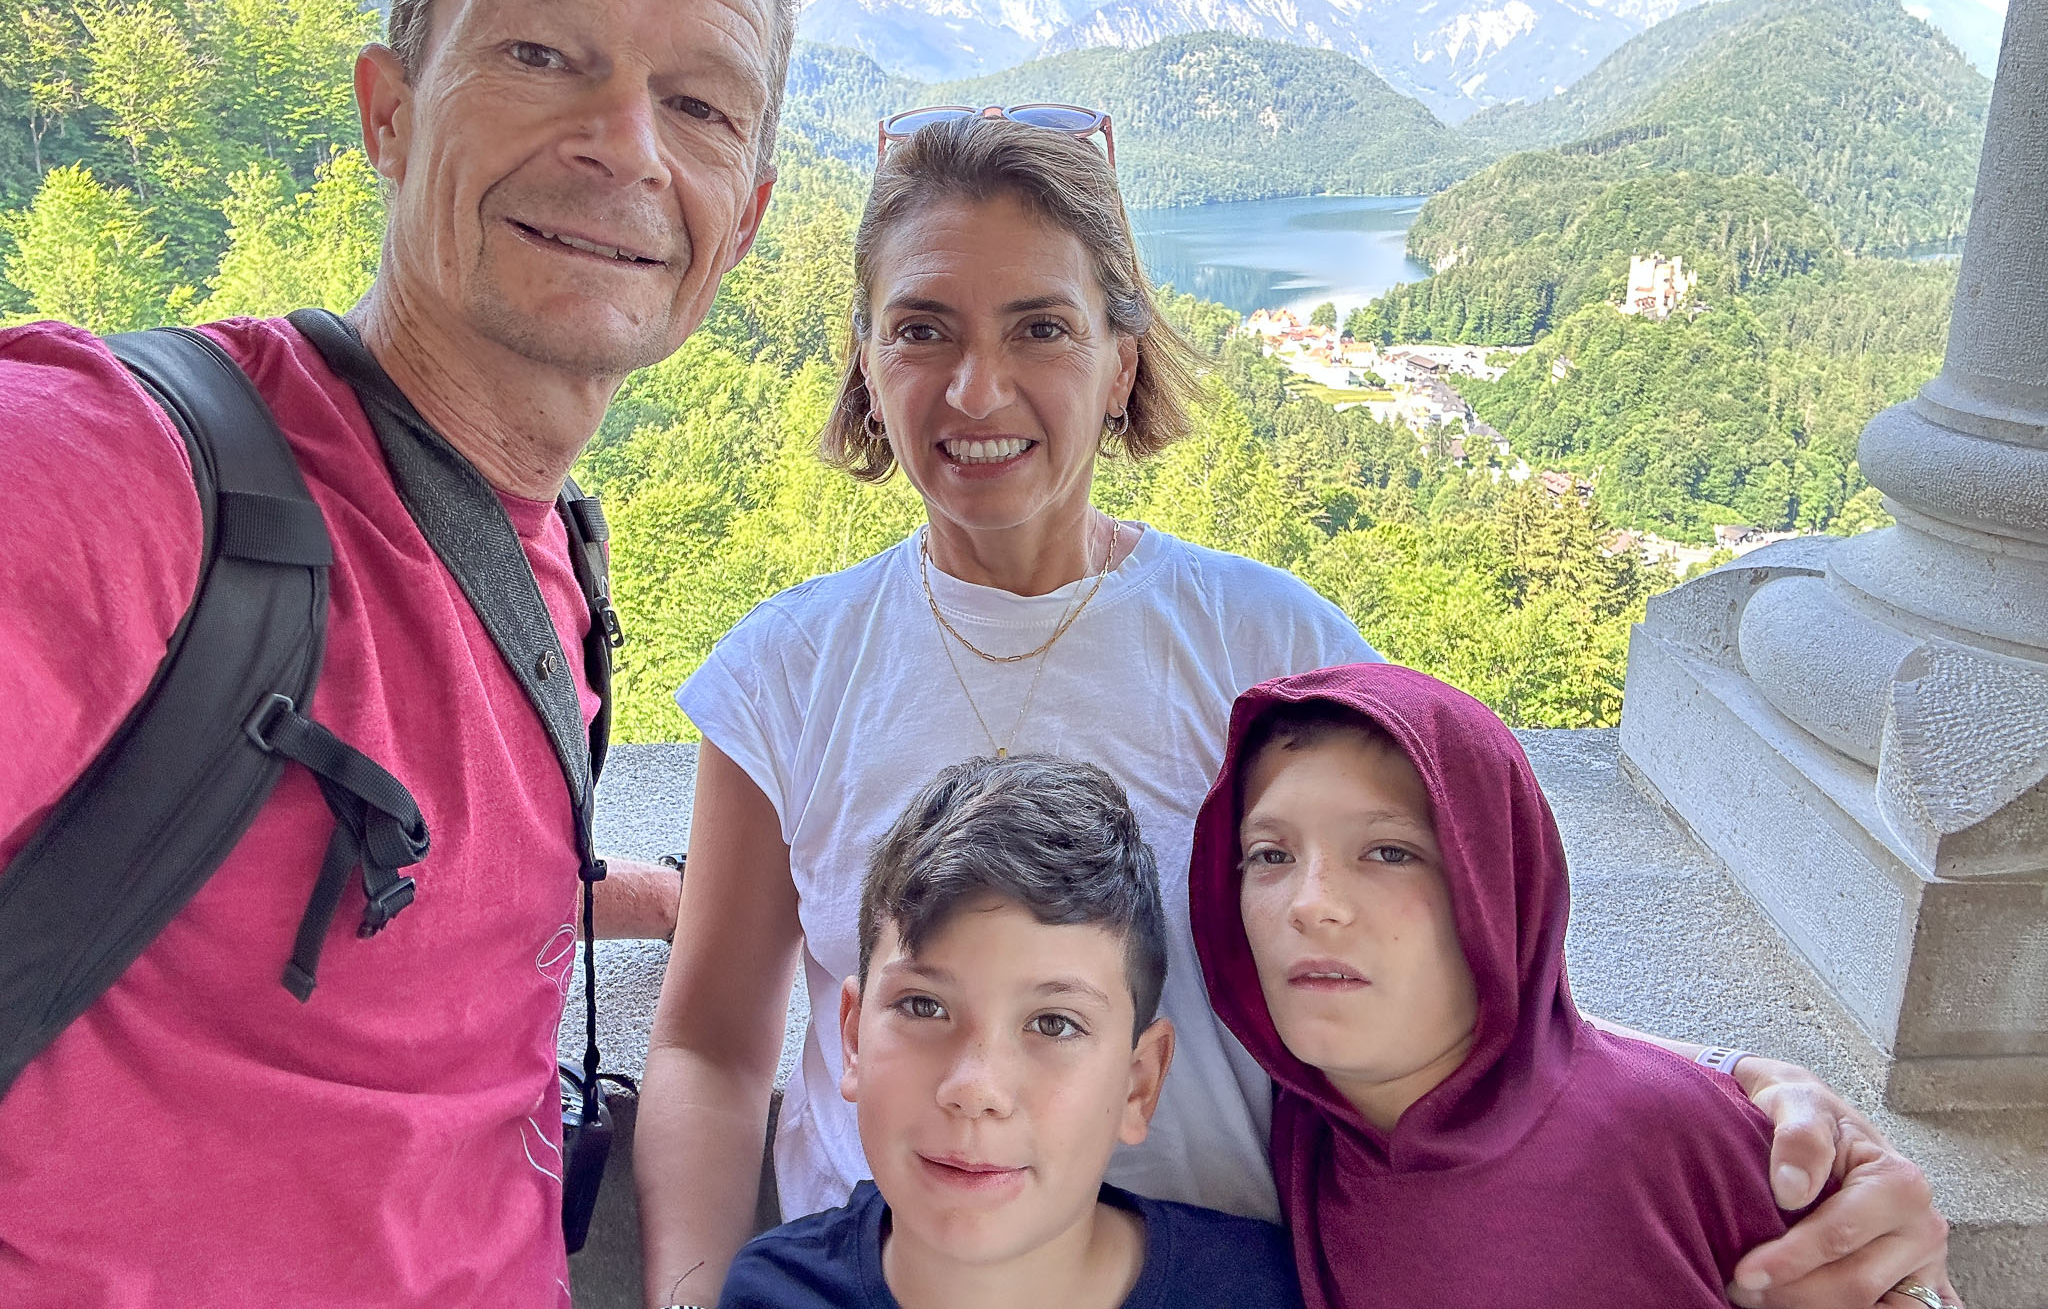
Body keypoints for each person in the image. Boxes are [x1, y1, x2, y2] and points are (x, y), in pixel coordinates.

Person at [636, 113, 1951, 1309]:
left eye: (1039, 328)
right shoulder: (788, 674)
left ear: (1119, 361)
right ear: (866, 361)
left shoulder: (1267, 645)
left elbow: (1460, 970)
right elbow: (711, 1045)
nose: (977, 390)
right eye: (922, 329)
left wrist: (1738, 1097)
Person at [0, 0, 798, 1307]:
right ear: (390, 113)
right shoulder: (128, 479)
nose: (625, 145)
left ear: (743, 220)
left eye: (699, 104)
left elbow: (424, 872)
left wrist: (651, 895)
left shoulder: (545, 560)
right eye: (539, 52)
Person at [1188, 663, 1949, 1309]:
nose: (1311, 903)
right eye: (1270, 855)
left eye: (1389, 852)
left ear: (1501, 891)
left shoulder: (1668, 1137)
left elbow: (1895, 1275)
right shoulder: (1307, 1133)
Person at [717, 754, 1303, 1309]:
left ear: (1138, 1085)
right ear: (852, 1039)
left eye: (1054, 1024)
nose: (975, 1089)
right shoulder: (773, 1292)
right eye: (923, 1006)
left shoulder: (1263, 1291)